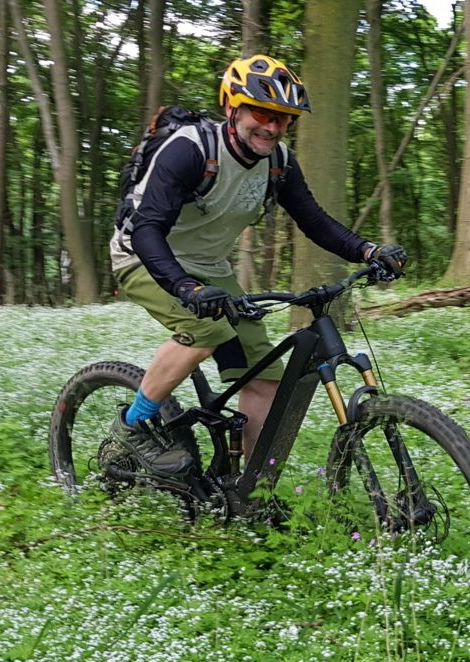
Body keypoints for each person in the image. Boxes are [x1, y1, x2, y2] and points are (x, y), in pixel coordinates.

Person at [108, 54, 407, 476]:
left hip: (210, 267)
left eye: (284, 119)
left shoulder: (278, 163)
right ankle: (133, 425)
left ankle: (251, 490)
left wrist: (368, 251)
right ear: (232, 107)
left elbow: (314, 220)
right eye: (262, 113)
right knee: (207, 331)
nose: (272, 127)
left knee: (264, 377)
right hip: (143, 256)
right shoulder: (191, 149)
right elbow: (146, 228)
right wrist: (184, 288)